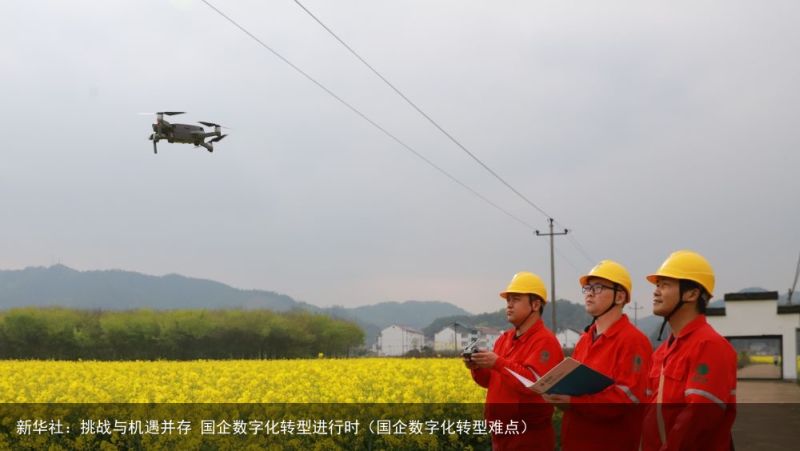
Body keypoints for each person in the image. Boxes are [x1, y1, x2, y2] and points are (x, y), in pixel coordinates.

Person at [543, 260, 652, 450]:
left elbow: (626, 399)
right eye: (588, 288)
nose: (590, 293)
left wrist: (575, 403)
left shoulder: (633, 341)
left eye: (599, 287)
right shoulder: (586, 339)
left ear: (619, 297)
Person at [641, 250, 737, 451]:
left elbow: (699, 416)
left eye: (665, 285)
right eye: (657, 285)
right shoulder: (661, 353)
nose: (656, 291)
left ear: (692, 294)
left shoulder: (710, 345)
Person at [464, 271, 563, 450]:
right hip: (501, 435)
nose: (509, 305)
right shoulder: (505, 338)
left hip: (529, 438)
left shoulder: (545, 341)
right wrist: (477, 367)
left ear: (535, 304)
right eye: (508, 300)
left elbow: (534, 383)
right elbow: (490, 381)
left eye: (515, 299)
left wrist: (498, 363)